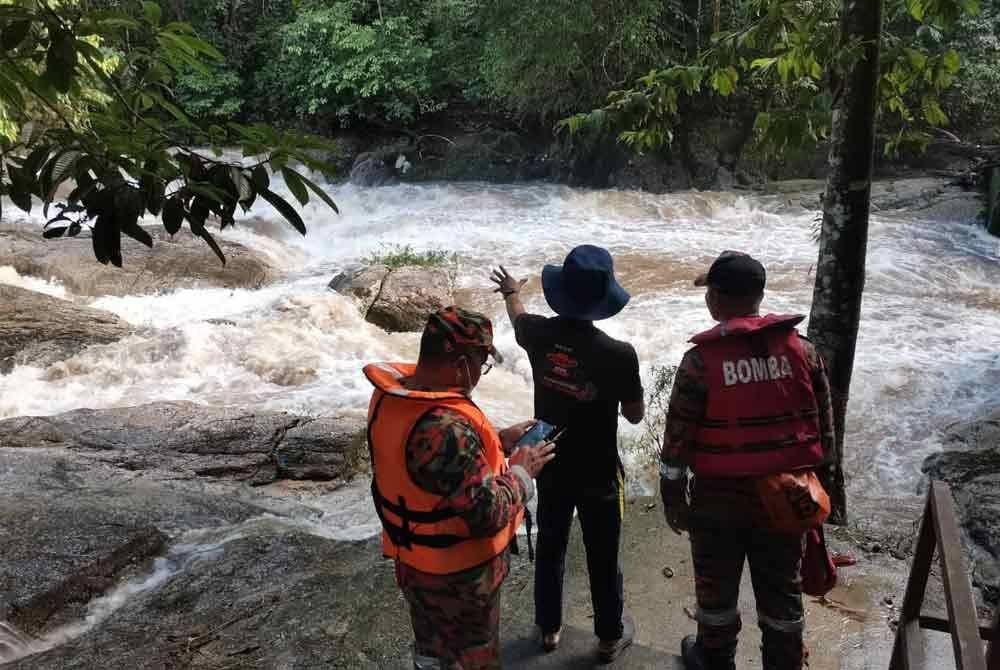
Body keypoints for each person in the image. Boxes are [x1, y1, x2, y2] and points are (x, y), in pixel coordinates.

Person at [659, 251, 837, 670]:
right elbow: (825, 434)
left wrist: (673, 499)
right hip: (787, 497)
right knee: (782, 591)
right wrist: (819, 494)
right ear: (759, 295)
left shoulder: (700, 362)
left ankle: (714, 659)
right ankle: (784, 663)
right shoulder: (804, 351)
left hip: (717, 501)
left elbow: (676, 444)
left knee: (716, 591)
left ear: (716, 300)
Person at [363, 306, 556, 670]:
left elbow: (432, 469)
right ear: (462, 363)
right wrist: (522, 474)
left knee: (431, 653)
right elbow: (486, 514)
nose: (480, 375)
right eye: (482, 365)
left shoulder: (391, 399)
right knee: (472, 657)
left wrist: (497, 441)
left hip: (415, 565)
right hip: (458, 581)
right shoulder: (447, 429)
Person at [490, 245, 645, 663]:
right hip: (598, 467)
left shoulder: (539, 334)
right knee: (603, 549)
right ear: (602, 299)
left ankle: (548, 629)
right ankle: (610, 635)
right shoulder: (619, 354)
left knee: (552, 543)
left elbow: (518, 317)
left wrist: (510, 291)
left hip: (548, 459)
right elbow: (634, 416)